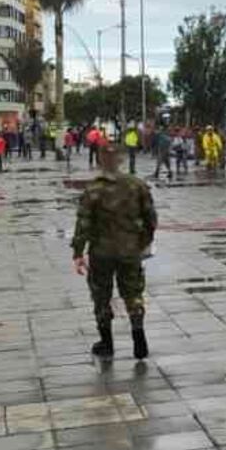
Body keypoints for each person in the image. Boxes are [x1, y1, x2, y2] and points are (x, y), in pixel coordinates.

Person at [71, 143, 158, 360]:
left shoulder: (93, 189)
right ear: (120, 160)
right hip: (130, 251)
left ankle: (106, 343)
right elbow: (151, 219)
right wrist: (143, 242)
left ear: (101, 161)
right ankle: (139, 340)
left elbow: (83, 223)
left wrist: (78, 252)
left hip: (102, 252)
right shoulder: (137, 185)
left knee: (101, 296)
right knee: (134, 294)